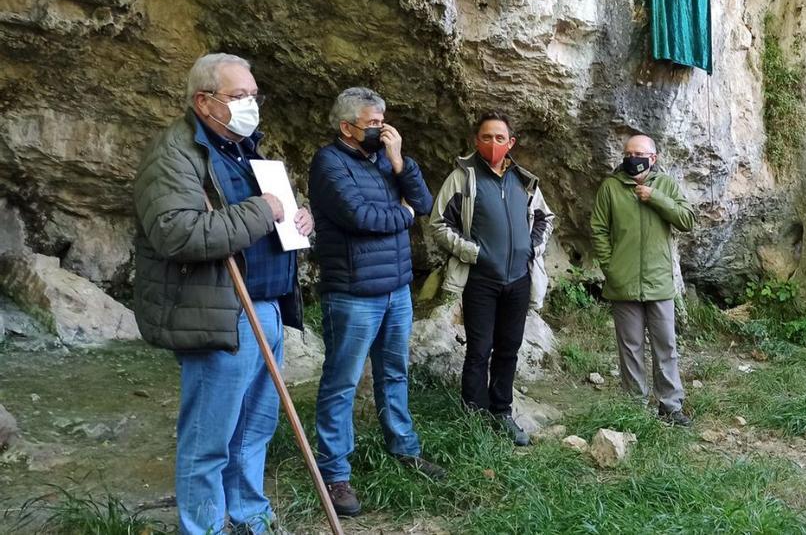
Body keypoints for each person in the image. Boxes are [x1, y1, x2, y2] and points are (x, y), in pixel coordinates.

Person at [131, 53, 313, 534]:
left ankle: (249, 515)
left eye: (254, 95)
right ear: (203, 101)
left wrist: (297, 218)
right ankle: (205, 527)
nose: (251, 104)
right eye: (239, 96)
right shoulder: (174, 153)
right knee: (209, 439)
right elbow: (176, 233)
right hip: (221, 315)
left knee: (254, 429)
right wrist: (262, 211)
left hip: (267, 309)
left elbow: (267, 215)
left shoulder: (244, 148)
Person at [307, 87, 442, 517]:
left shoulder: (385, 159)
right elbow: (360, 217)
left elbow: (422, 203)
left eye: (384, 121)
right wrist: (402, 215)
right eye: (372, 124)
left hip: (396, 289)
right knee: (342, 383)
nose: (381, 130)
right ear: (346, 127)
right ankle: (335, 472)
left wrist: (400, 161)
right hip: (352, 294)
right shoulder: (328, 164)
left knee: (394, 374)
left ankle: (404, 449)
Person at [429, 111, 555, 446]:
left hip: (517, 280)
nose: (494, 143)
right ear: (476, 140)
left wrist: (533, 247)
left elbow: (545, 216)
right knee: (479, 350)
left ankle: (501, 411)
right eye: (487, 137)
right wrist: (474, 252)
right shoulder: (463, 178)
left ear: (511, 142)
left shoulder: (522, 180)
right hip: (481, 280)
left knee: (509, 348)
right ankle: (474, 415)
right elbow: (439, 223)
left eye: (500, 138)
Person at [590, 134, 696, 426]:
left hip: (659, 282)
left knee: (666, 346)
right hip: (622, 283)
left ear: (654, 158)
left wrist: (656, 198)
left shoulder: (666, 185)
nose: (632, 158)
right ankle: (634, 406)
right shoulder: (610, 188)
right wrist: (611, 267)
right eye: (628, 152)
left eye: (639, 153)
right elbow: (598, 229)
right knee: (630, 347)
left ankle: (670, 406)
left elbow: (687, 220)